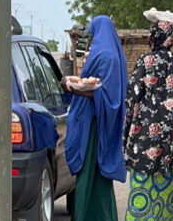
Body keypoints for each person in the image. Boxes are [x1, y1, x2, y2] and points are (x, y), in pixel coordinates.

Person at [123, 7, 173, 220]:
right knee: (168, 196)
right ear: (171, 39)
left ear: (153, 38)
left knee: (141, 195)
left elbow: (131, 102)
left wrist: (124, 141)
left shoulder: (144, 63)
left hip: (143, 143)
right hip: (171, 145)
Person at [61, 15, 128, 220]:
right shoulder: (109, 54)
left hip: (94, 127)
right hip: (94, 123)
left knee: (90, 174)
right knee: (95, 178)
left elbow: (109, 96)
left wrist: (74, 88)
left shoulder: (106, 56)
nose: (91, 38)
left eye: (92, 33)